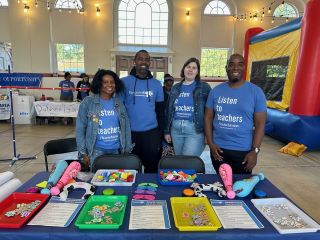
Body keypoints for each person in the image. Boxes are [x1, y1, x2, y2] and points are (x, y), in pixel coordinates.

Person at [204, 53, 267, 174]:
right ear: (226, 68)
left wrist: (255, 151)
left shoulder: (256, 92)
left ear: (244, 68)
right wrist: (211, 144)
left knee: (240, 189)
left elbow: (260, 124)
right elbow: (208, 118)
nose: (235, 68)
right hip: (218, 150)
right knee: (222, 186)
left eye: (240, 64)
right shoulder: (216, 91)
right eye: (231, 64)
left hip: (243, 152)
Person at [76, 69, 133, 170]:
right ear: (99, 84)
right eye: (105, 82)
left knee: (115, 180)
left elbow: (126, 127)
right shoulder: (88, 103)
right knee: (97, 182)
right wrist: (83, 153)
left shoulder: (119, 104)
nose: (109, 85)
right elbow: (80, 129)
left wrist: (127, 149)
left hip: (116, 150)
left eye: (112, 82)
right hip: (96, 151)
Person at [122, 50, 164, 173]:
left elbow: (160, 111)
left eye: (146, 59)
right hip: (130, 134)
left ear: (149, 62)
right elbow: (119, 109)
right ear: (134, 62)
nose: (143, 62)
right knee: (131, 170)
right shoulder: (124, 82)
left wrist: (159, 134)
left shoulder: (156, 84)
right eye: (140, 59)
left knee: (152, 169)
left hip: (151, 134)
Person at [164, 57, 211, 156]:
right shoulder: (175, 88)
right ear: (184, 69)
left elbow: (210, 112)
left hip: (195, 130)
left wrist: (209, 134)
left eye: (194, 68)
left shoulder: (204, 87)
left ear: (197, 72)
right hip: (176, 130)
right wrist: (167, 131)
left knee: (187, 161)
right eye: (188, 67)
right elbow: (168, 110)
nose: (190, 70)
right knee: (179, 160)